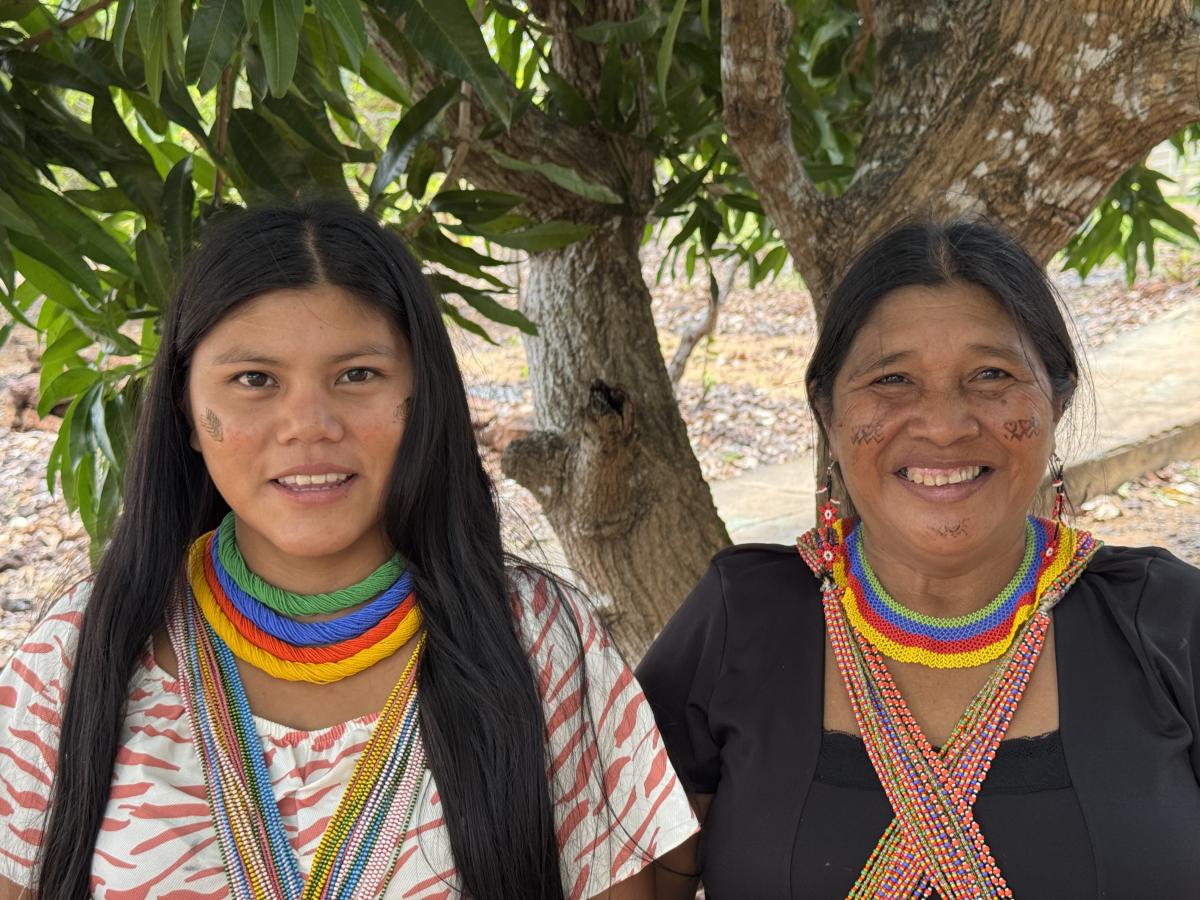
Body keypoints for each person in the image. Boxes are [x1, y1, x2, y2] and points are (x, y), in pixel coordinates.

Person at [0, 203, 697, 899]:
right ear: (185, 409)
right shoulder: (81, 650)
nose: (310, 426)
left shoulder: (537, 639)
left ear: (421, 396)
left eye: (358, 374)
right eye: (254, 380)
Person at [638, 219, 1200, 898]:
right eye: (893, 378)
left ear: (1056, 401)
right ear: (828, 413)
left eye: (991, 374)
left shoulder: (1168, 625)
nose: (944, 424)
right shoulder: (740, 624)